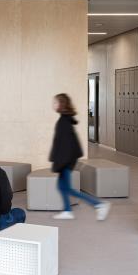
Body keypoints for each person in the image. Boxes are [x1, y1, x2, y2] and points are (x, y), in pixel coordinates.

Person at [50, 93, 111, 221]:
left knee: (67, 188)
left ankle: (99, 204)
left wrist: (60, 164)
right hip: (65, 161)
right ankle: (67, 211)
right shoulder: (65, 120)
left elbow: (66, 147)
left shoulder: (64, 122)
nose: (53, 104)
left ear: (61, 104)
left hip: (65, 162)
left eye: (55, 102)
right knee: (62, 187)